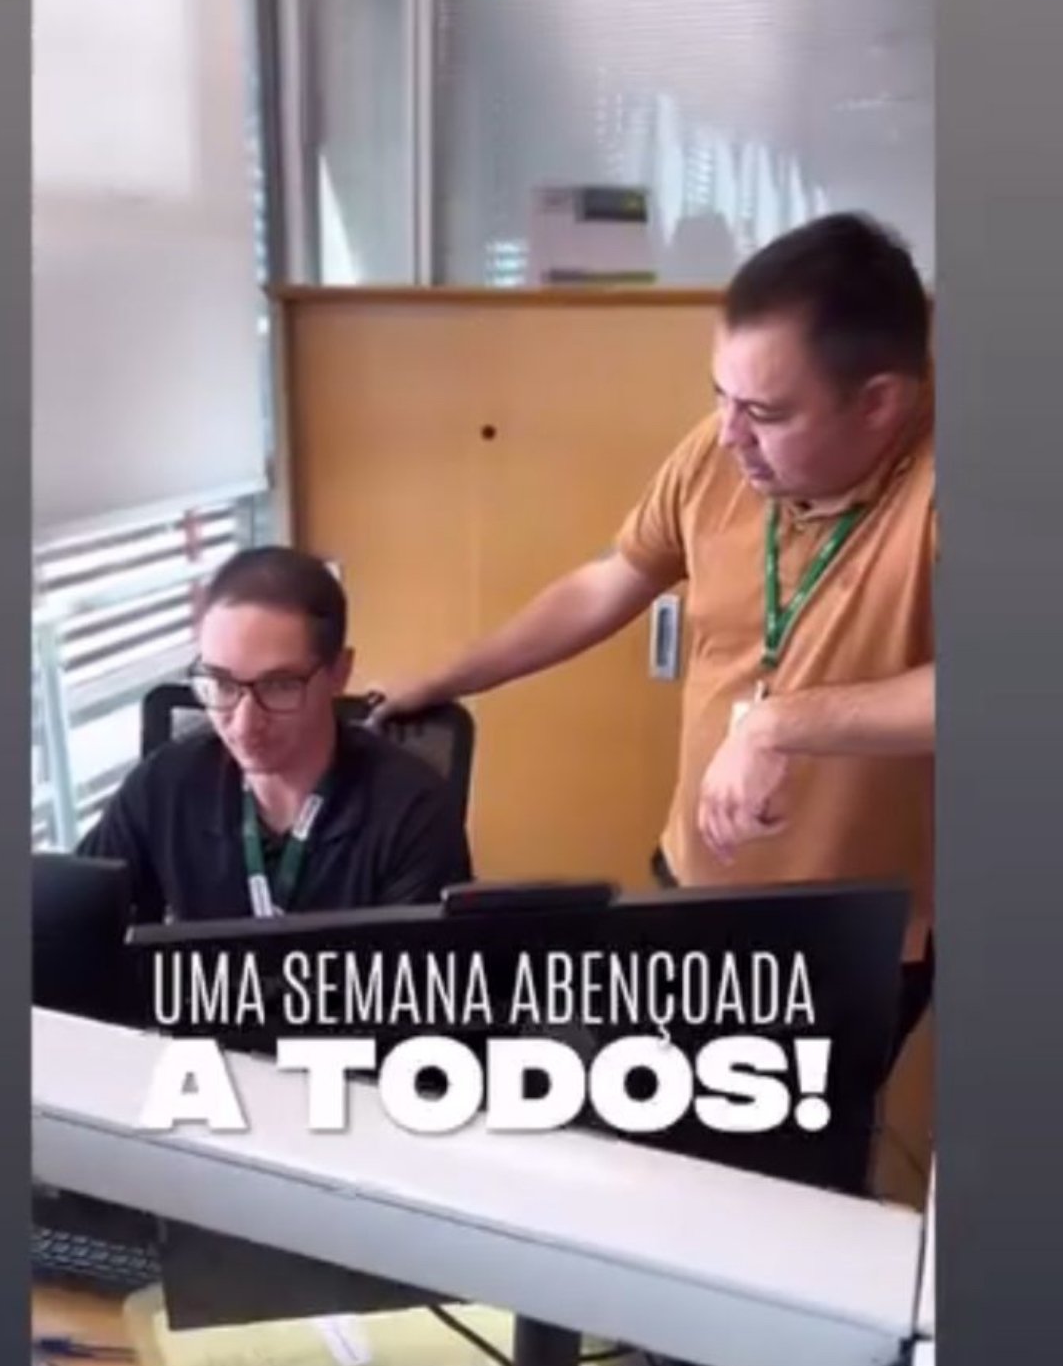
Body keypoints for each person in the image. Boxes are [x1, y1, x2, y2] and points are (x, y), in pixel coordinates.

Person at [372, 213, 936, 1065]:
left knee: (787, 1142)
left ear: (878, 403)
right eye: (720, 396)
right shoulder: (719, 452)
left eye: (764, 412)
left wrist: (779, 722)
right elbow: (607, 582)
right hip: (694, 881)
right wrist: (448, 677)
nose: (730, 434)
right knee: (654, 1113)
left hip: (850, 934)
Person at [79, 546, 473, 922]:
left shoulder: (413, 812)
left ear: (339, 673)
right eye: (221, 683)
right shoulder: (164, 786)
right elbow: (73, 918)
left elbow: (417, 969)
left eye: (279, 685)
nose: (243, 723)